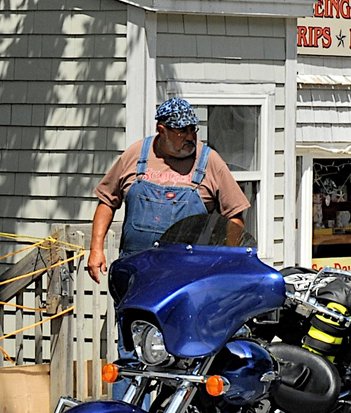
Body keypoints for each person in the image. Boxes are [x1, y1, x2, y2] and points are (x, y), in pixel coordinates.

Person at [87, 98, 250, 282]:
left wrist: (228, 262)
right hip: (135, 272)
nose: (190, 137)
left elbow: (235, 216)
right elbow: (107, 202)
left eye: (192, 129)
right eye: (182, 131)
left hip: (186, 276)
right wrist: (96, 249)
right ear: (162, 130)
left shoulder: (209, 161)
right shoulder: (136, 154)